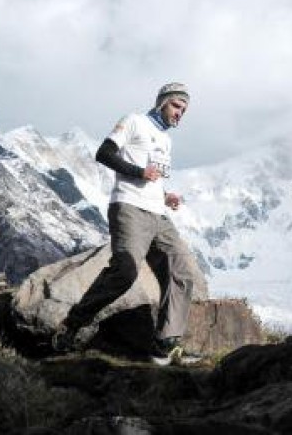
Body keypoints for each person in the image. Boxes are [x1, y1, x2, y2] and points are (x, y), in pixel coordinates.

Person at [53, 82, 201, 366]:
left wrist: (165, 194)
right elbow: (104, 154)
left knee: (183, 269)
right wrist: (138, 172)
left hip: (158, 213)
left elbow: (153, 178)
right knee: (126, 271)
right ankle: (73, 323)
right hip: (129, 207)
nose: (180, 113)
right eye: (176, 106)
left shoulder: (166, 140)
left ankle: (165, 343)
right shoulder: (134, 121)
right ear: (161, 103)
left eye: (184, 110)